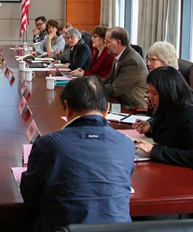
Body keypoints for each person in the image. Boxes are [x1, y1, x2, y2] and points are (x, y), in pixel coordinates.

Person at [21, 76, 134, 232]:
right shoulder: (126, 144)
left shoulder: (49, 145)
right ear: (107, 108)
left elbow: (31, 198)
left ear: (66, 107)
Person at [133, 67, 193, 217]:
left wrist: (154, 151)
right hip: (180, 172)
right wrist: (150, 128)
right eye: (149, 91)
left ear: (167, 92)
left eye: (154, 93)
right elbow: (172, 135)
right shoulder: (171, 107)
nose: (149, 97)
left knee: (149, 211)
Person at [100, 27, 148, 109]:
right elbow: (109, 79)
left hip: (132, 107)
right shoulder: (120, 56)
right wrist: (91, 82)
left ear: (118, 43)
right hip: (120, 102)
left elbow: (115, 90)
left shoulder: (131, 61)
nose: (104, 45)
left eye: (107, 42)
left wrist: (94, 87)